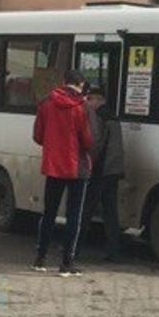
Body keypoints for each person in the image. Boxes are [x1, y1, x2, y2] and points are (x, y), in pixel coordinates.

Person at [32, 69, 95, 277]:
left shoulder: (46, 103)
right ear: (81, 84)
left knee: (49, 212)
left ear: (63, 82)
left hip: (53, 166)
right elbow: (88, 140)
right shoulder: (82, 107)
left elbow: (38, 136)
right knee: (74, 215)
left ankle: (40, 258)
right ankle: (67, 263)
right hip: (78, 168)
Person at [82, 86, 126, 262]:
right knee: (110, 211)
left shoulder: (99, 117)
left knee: (86, 209)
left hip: (101, 169)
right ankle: (114, 249)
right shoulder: (113, 117)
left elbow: (96, 145)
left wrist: (88, 164)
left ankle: (75, 247)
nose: (88, 103)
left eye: (90, 99)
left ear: (99, 99)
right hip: (114, 169)